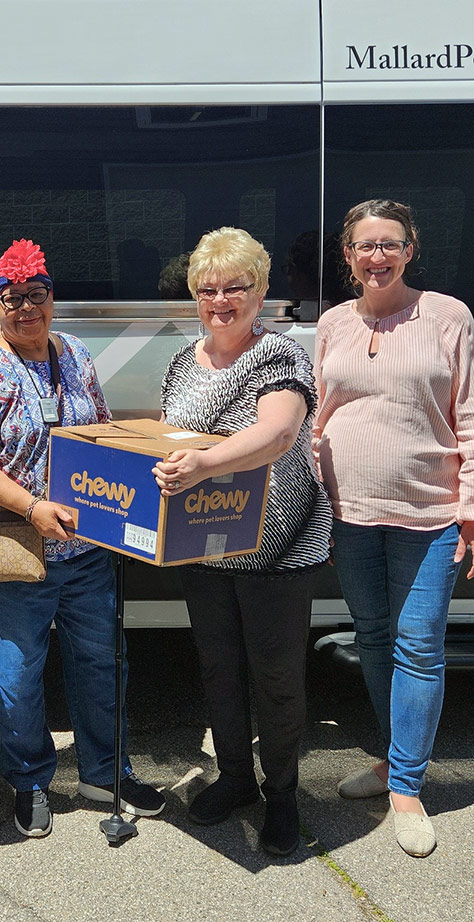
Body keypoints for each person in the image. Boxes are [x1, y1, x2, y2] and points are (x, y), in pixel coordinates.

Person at [0, 239, 165, 838]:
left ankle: (103, 772)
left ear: (52, 299)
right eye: (11, 300)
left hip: (87, 546)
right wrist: (32, 506)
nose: (25, 310)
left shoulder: (77, 355)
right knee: (17, 674)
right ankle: (30, 781)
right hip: (16, 544)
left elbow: (100, 434)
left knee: (101, 664)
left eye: (35, 297)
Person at [154, 227, 331, 856]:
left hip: (276, 546)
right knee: (218, 668)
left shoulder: (279, 355)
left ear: (260, 292)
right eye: (209, 289)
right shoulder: (183, 359)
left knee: (277, 678)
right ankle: (235, 779)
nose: (221, 300)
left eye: (237, 287)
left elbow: (279, 432)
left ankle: (282, 796)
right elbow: (172, 439)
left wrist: (204, 467)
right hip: (204, 545)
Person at [313, 199, 474, 858]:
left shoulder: (448, 316)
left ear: (410, 249)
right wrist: (311, 503)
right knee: (373, 636)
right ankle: (391, 759)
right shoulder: (330, 323)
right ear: (347, 257)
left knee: (418, 644)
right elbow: (320, 416)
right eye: (364, 245)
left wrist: (470, 509)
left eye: (390, 243)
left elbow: (467, 413)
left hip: (429, 514)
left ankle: (406, 787)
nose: (376, 256)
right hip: (349, 512)